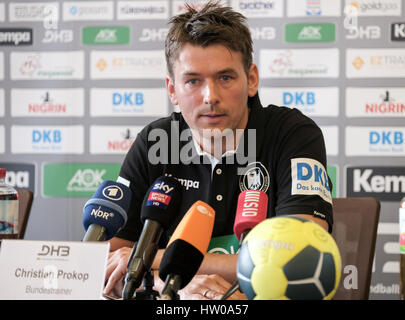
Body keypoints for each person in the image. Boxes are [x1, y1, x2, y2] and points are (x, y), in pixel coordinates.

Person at [104, 1, 333, 300]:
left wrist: (156, 260)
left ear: (251, 79)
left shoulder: (293, 134)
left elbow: (300, 259)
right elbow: (106, 266)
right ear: (172, 90)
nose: (210, 96)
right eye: (193, 81)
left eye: (225, 78)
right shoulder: (154, 141)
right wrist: (171, 286)